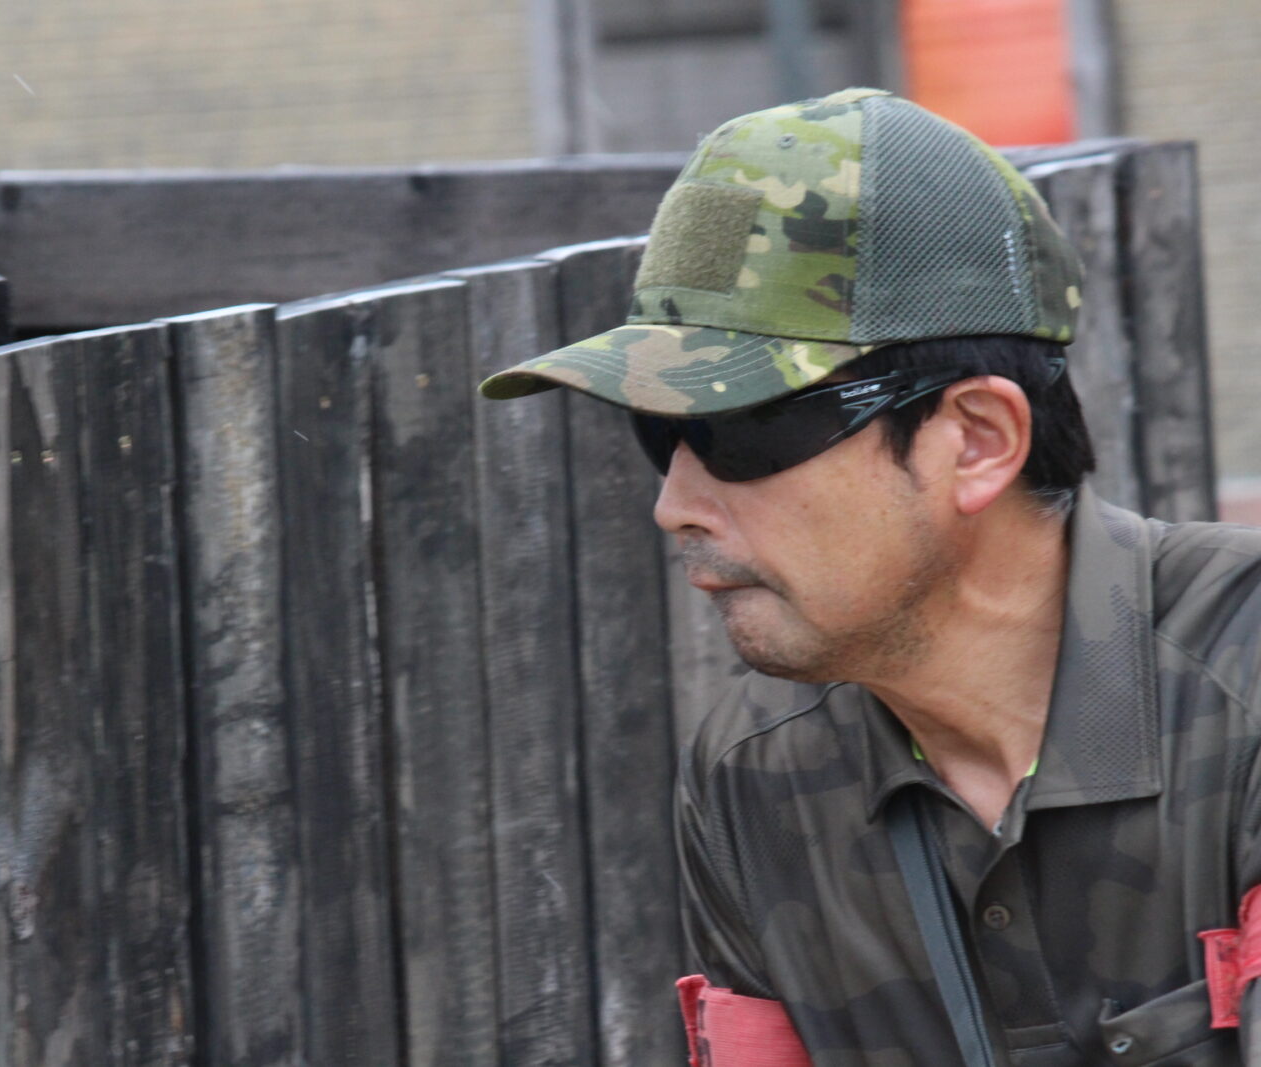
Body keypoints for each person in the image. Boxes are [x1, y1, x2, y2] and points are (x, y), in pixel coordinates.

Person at [478, 88, 1261, 1065]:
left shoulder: (1244, 675)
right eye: (658, 431)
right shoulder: (754, 777)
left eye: (741, 427)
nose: (674, 503)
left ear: (976, 440)